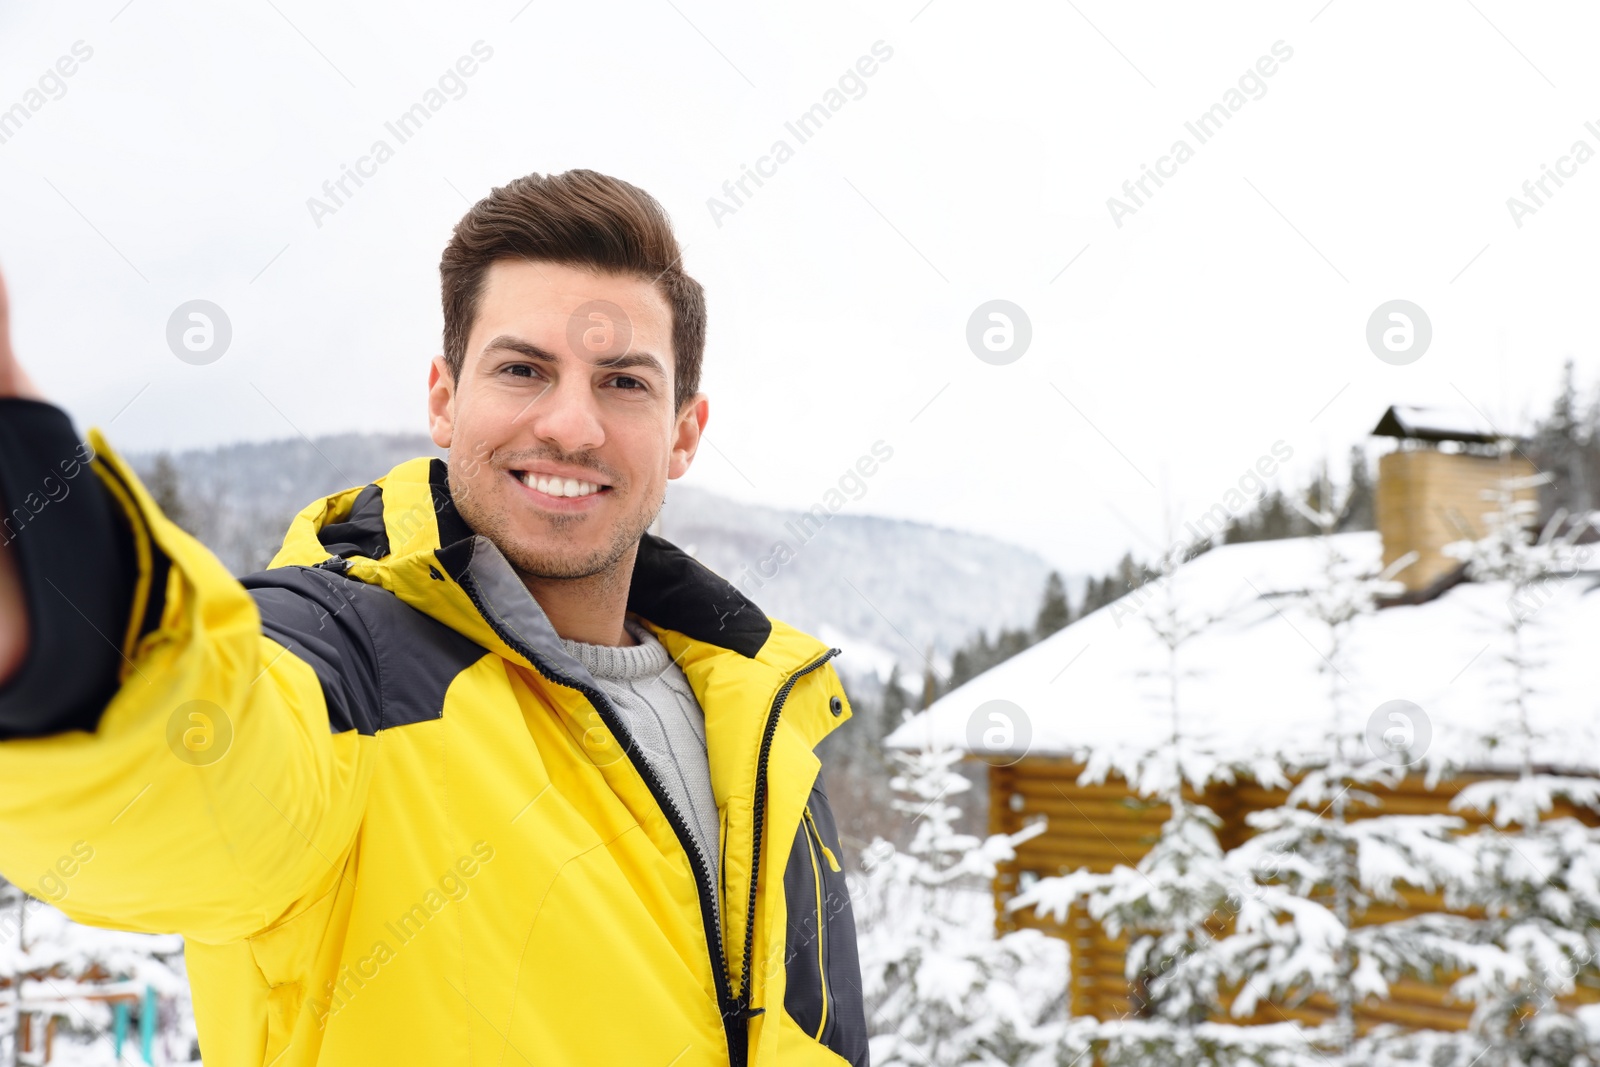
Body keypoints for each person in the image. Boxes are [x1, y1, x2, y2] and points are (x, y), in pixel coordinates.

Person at [0, 169, 869, 1066]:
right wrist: (55, 615)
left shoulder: (766, 725)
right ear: (445, 399)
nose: (572, 426)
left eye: (623, 383)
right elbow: (192, 778)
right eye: (524, 369)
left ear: (685, 431)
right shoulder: (351, 670)